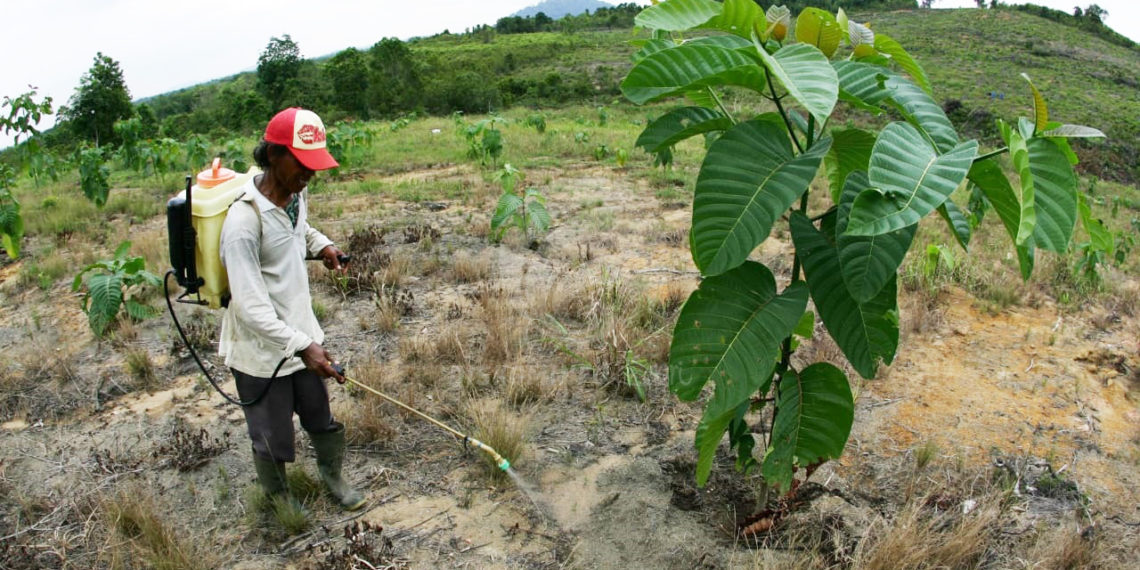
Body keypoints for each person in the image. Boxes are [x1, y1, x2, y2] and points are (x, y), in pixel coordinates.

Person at [219, 107, 365, 511]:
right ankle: (280, 498)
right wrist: (301, 346)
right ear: (273, 155)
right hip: (261, 352)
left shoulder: (296, 193)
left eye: (314, 165)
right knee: (270, 433)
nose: (310, 173)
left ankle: (332, 476)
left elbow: (298, 231)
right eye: (303, 164)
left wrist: (323, 246)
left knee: (320, 416)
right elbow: (249, 307)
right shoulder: (243, 224)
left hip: (302, 334)